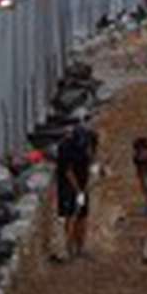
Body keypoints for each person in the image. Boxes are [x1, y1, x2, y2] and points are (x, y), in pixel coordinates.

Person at [54, 110, 99, 261]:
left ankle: (81, 247)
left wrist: (93, 168)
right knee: (70, 213)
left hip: (82, 179)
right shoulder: (65, 147)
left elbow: (93, 154)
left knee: (83, 214)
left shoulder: (90, 137)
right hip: (67, 183)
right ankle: (68, 249)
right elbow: (68, 172)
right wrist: (78, 190)